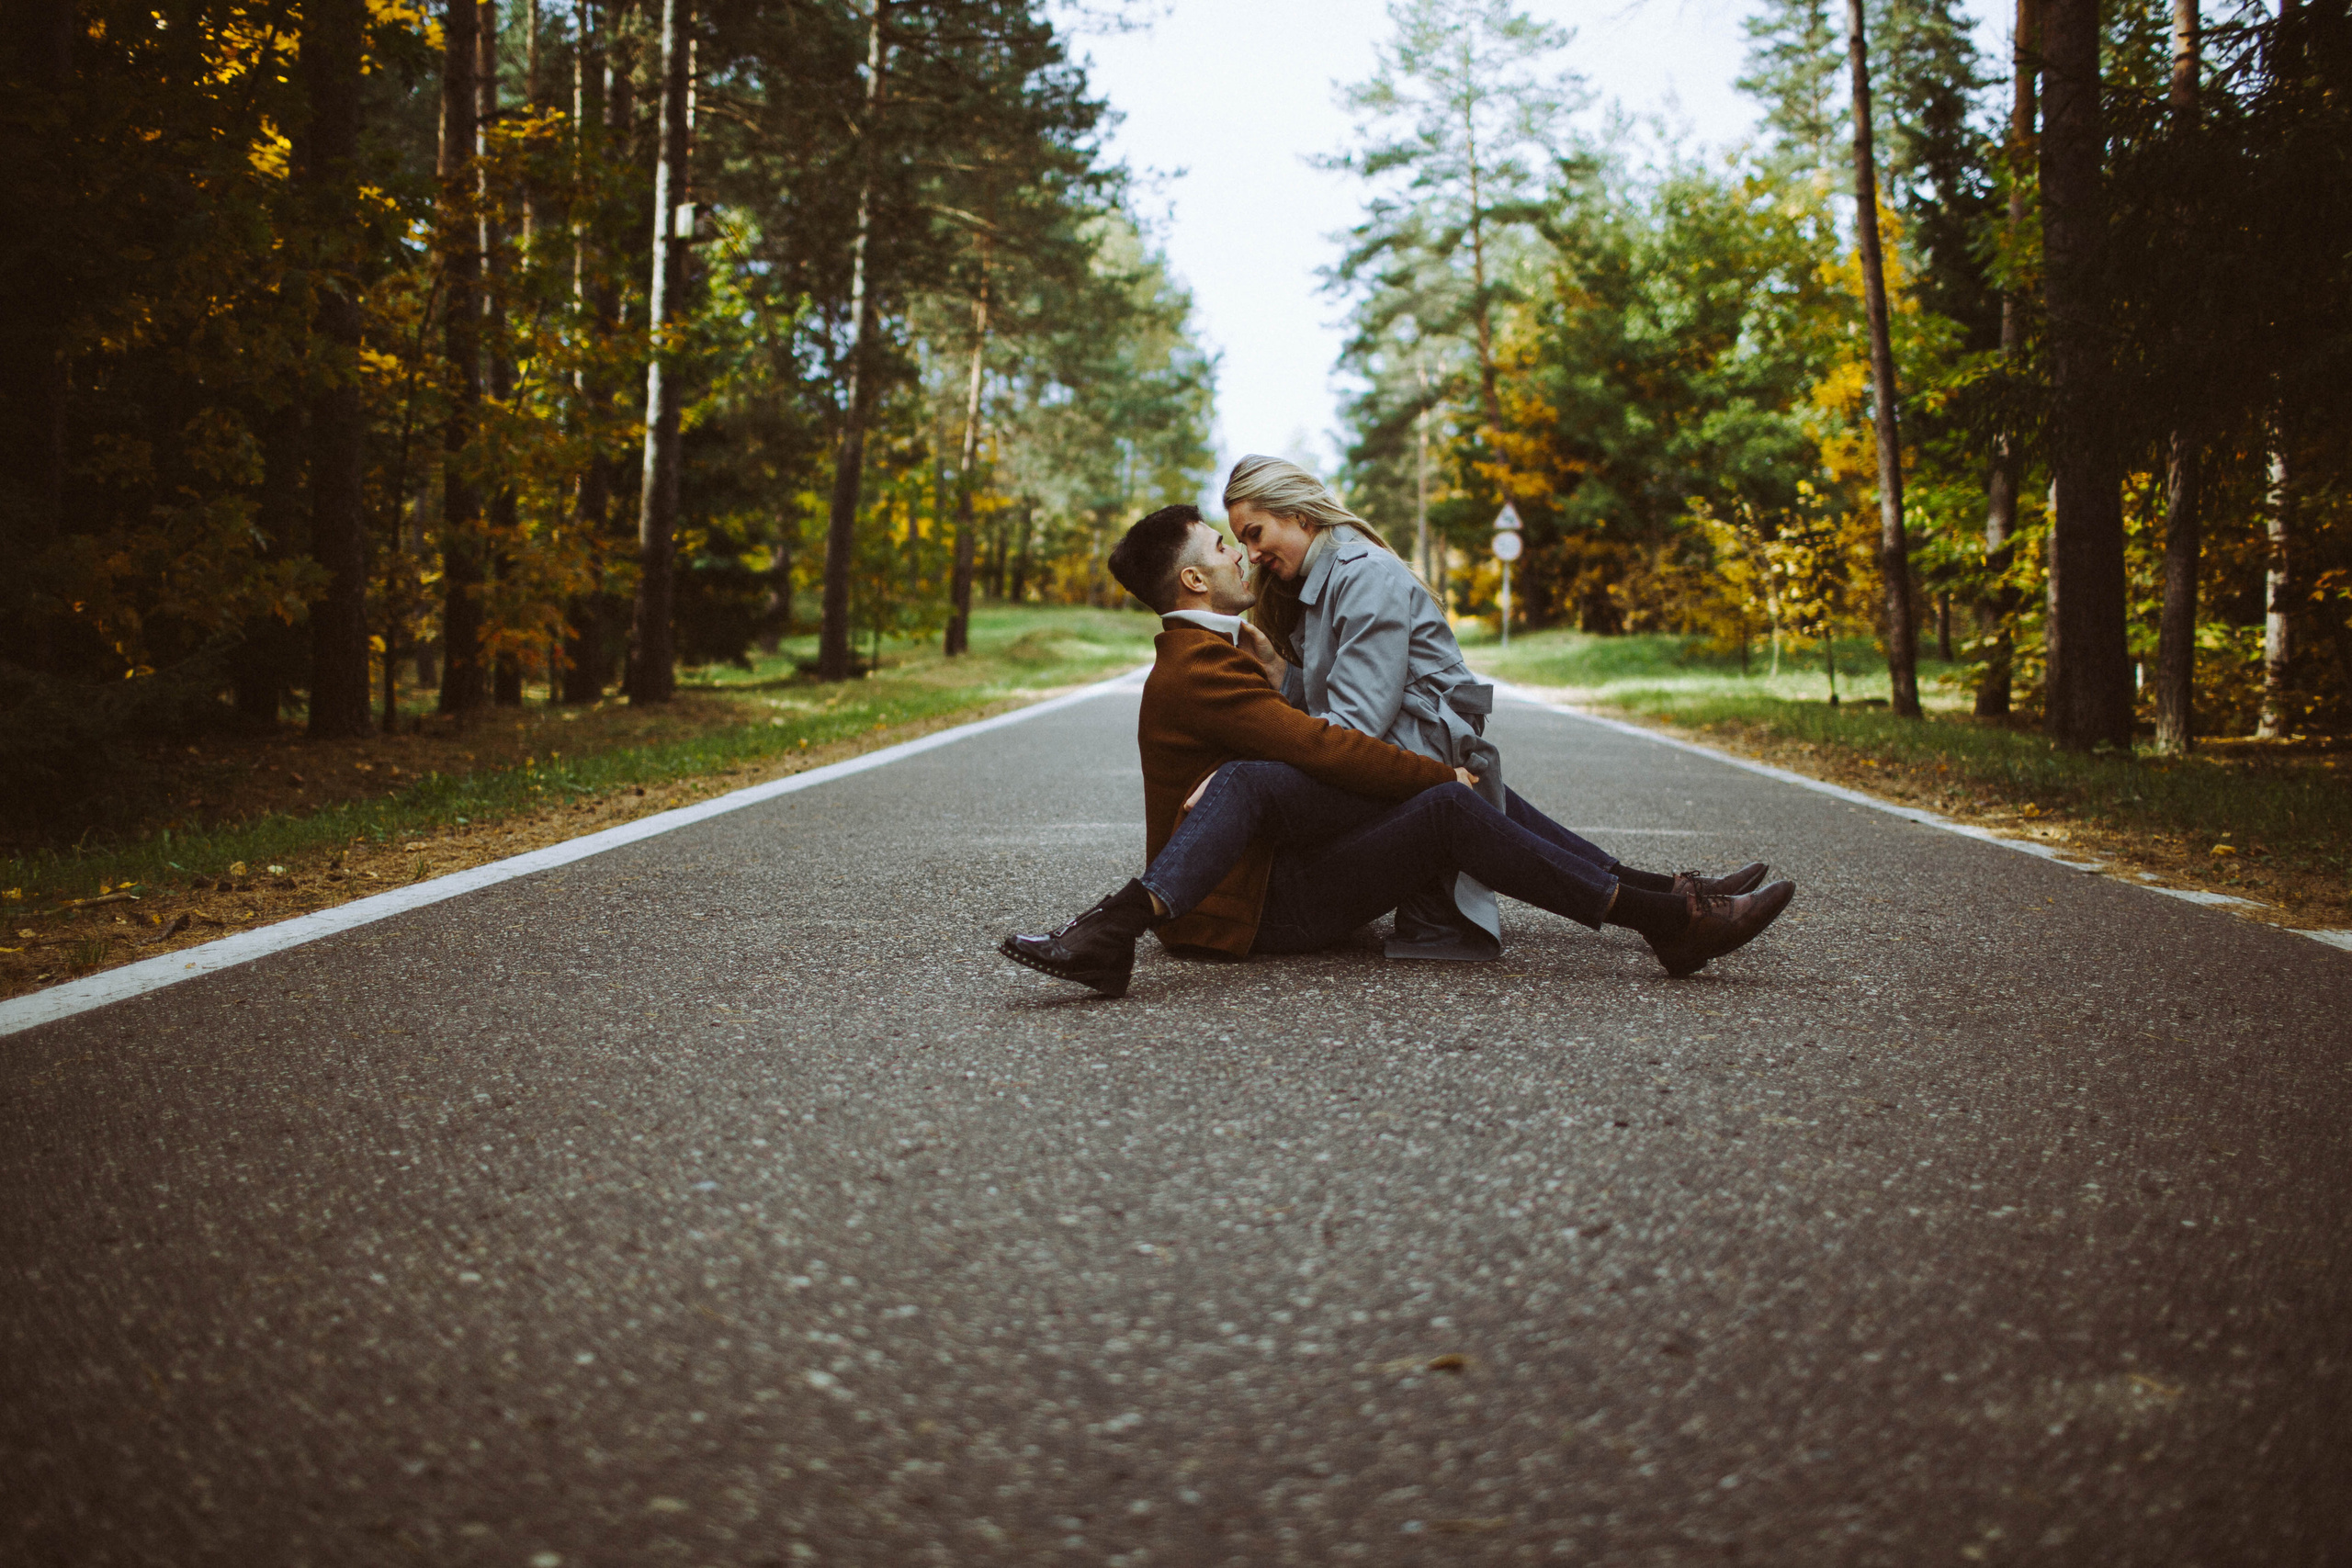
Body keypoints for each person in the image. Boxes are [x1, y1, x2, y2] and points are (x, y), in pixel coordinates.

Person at [997, 504, 1794, 998]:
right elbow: (1318, 747)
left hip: (1275, 874)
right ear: (1196, 582)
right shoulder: (1197, 665)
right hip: (1250, 912)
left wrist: (1284, 675)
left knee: (1425, 793)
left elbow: (1303, 751)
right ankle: (1665, 918)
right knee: (1441, 796)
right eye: (1222, 542)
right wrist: (1438, 771)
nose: (1241, 551)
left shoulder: (1223, 649)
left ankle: (1666, 898)